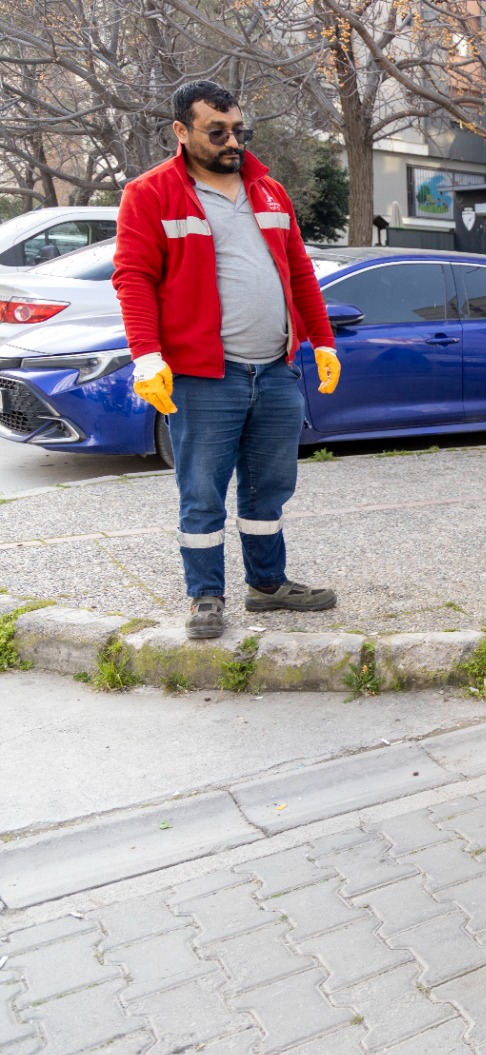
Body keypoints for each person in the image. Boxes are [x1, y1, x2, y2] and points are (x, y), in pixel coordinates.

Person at [113, 81, 340, 640]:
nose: (232, 140)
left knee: (269, 486)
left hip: (276, 370)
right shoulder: (152, 194)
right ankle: (205, 598)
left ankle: (267, 586)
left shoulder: (268, 191)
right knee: (203, 491)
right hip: (203, 377)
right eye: (217, 132)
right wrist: (145, 356)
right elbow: (133, 279)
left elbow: (301, 272)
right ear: (181, 131)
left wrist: (323, 340)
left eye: (239, 129)